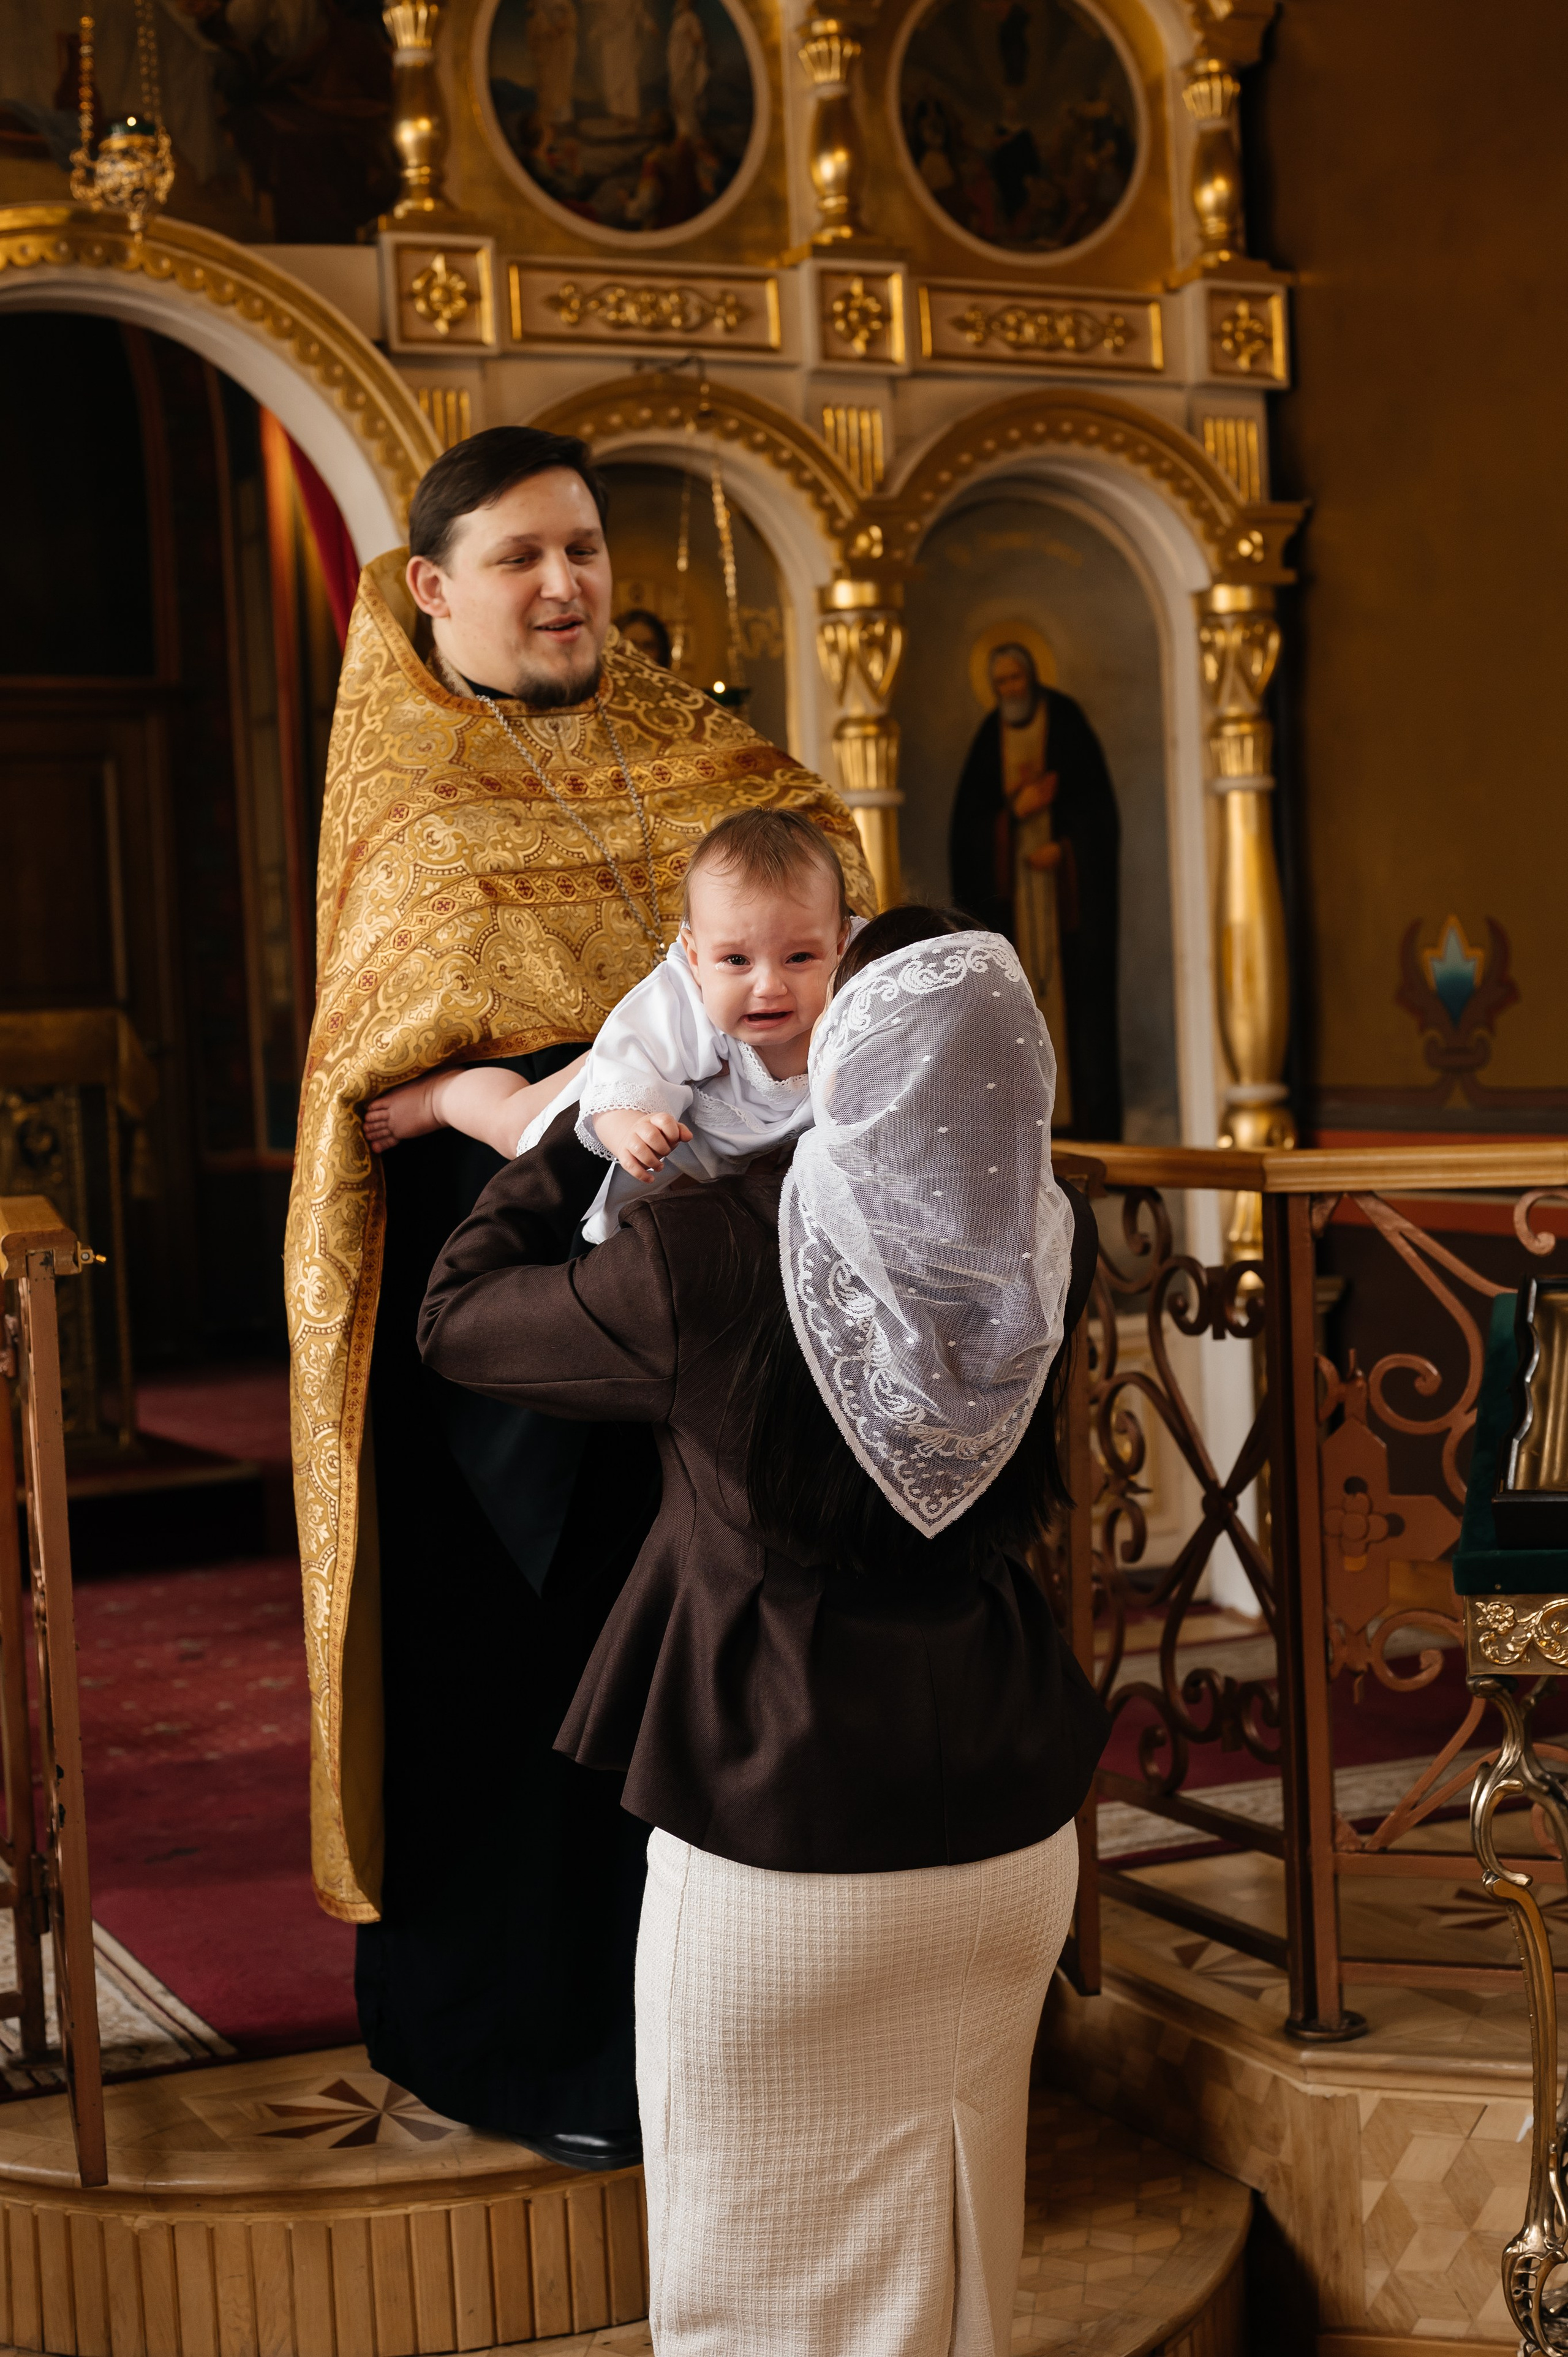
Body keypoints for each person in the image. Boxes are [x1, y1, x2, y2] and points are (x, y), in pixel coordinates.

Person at [284, 424, 873, 2170]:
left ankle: (733, 2037)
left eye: (587, 551)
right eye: (524, 556)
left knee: (714, 1657)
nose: (564, 584)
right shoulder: (408, 794)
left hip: (717, 1296)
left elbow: (815, 954)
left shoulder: (712, 761)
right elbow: (368, 1073)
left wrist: (473, 1089)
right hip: (493, 1319)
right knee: (523, 1672)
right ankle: (525, 2049)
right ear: (433, 587)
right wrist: (476, 1105)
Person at [419, 903, 1110, 2352]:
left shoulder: (715, 1242)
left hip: (777, 1841)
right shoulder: (1050, 1228)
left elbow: (459, 1317)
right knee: (948, 2274)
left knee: (750, 2297)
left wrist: (575, 1119)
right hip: (1009, 1843)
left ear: (843, 1055)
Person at [364, 808, 853, 1243]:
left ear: (840, 944)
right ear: (696, 957)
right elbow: (623, 1079)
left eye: (799, 957)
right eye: (737, 960)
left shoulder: (859, 994)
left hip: (725, 1163)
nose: (768, 985)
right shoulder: (679, 1005)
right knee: (521, 1131)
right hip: (632, 1078)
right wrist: (628, 1130)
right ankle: (443, 1098)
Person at [949, 639, 1123, 1139]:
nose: (1011, 690)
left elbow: (1099, 816)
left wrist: (1066, 850)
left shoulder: (1066, 723)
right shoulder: (989, 738)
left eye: (1017, 679)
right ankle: (1026, 1132)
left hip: (1064, 904)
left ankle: (1089, 1127)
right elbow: (968, 832)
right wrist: (1011, 818)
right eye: (1002, 682)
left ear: (1033, 678)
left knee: (1076, 1015)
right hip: (1015, 907)